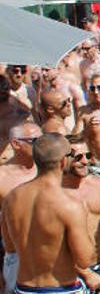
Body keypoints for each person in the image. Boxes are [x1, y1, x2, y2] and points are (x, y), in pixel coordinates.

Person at [3, 133, 93, 294]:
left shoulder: (12, 197)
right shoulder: (69, 204)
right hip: (61, 288)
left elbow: (9, 247)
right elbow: (85, 259)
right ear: (63, 161)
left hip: (24, 288)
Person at [60, 134, 100, 293]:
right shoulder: (54, 194)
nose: (84, 161)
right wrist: (86, 273)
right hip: (70, 272)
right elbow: (53, 242)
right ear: (62, 159)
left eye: (87, 155)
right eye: (78, 157)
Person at [0, 123, 42, 293]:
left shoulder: (50, 169)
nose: (41, 145)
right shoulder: (2, 177)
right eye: (35, 141)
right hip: (17, 255)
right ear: (16, 144)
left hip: (52, 251)